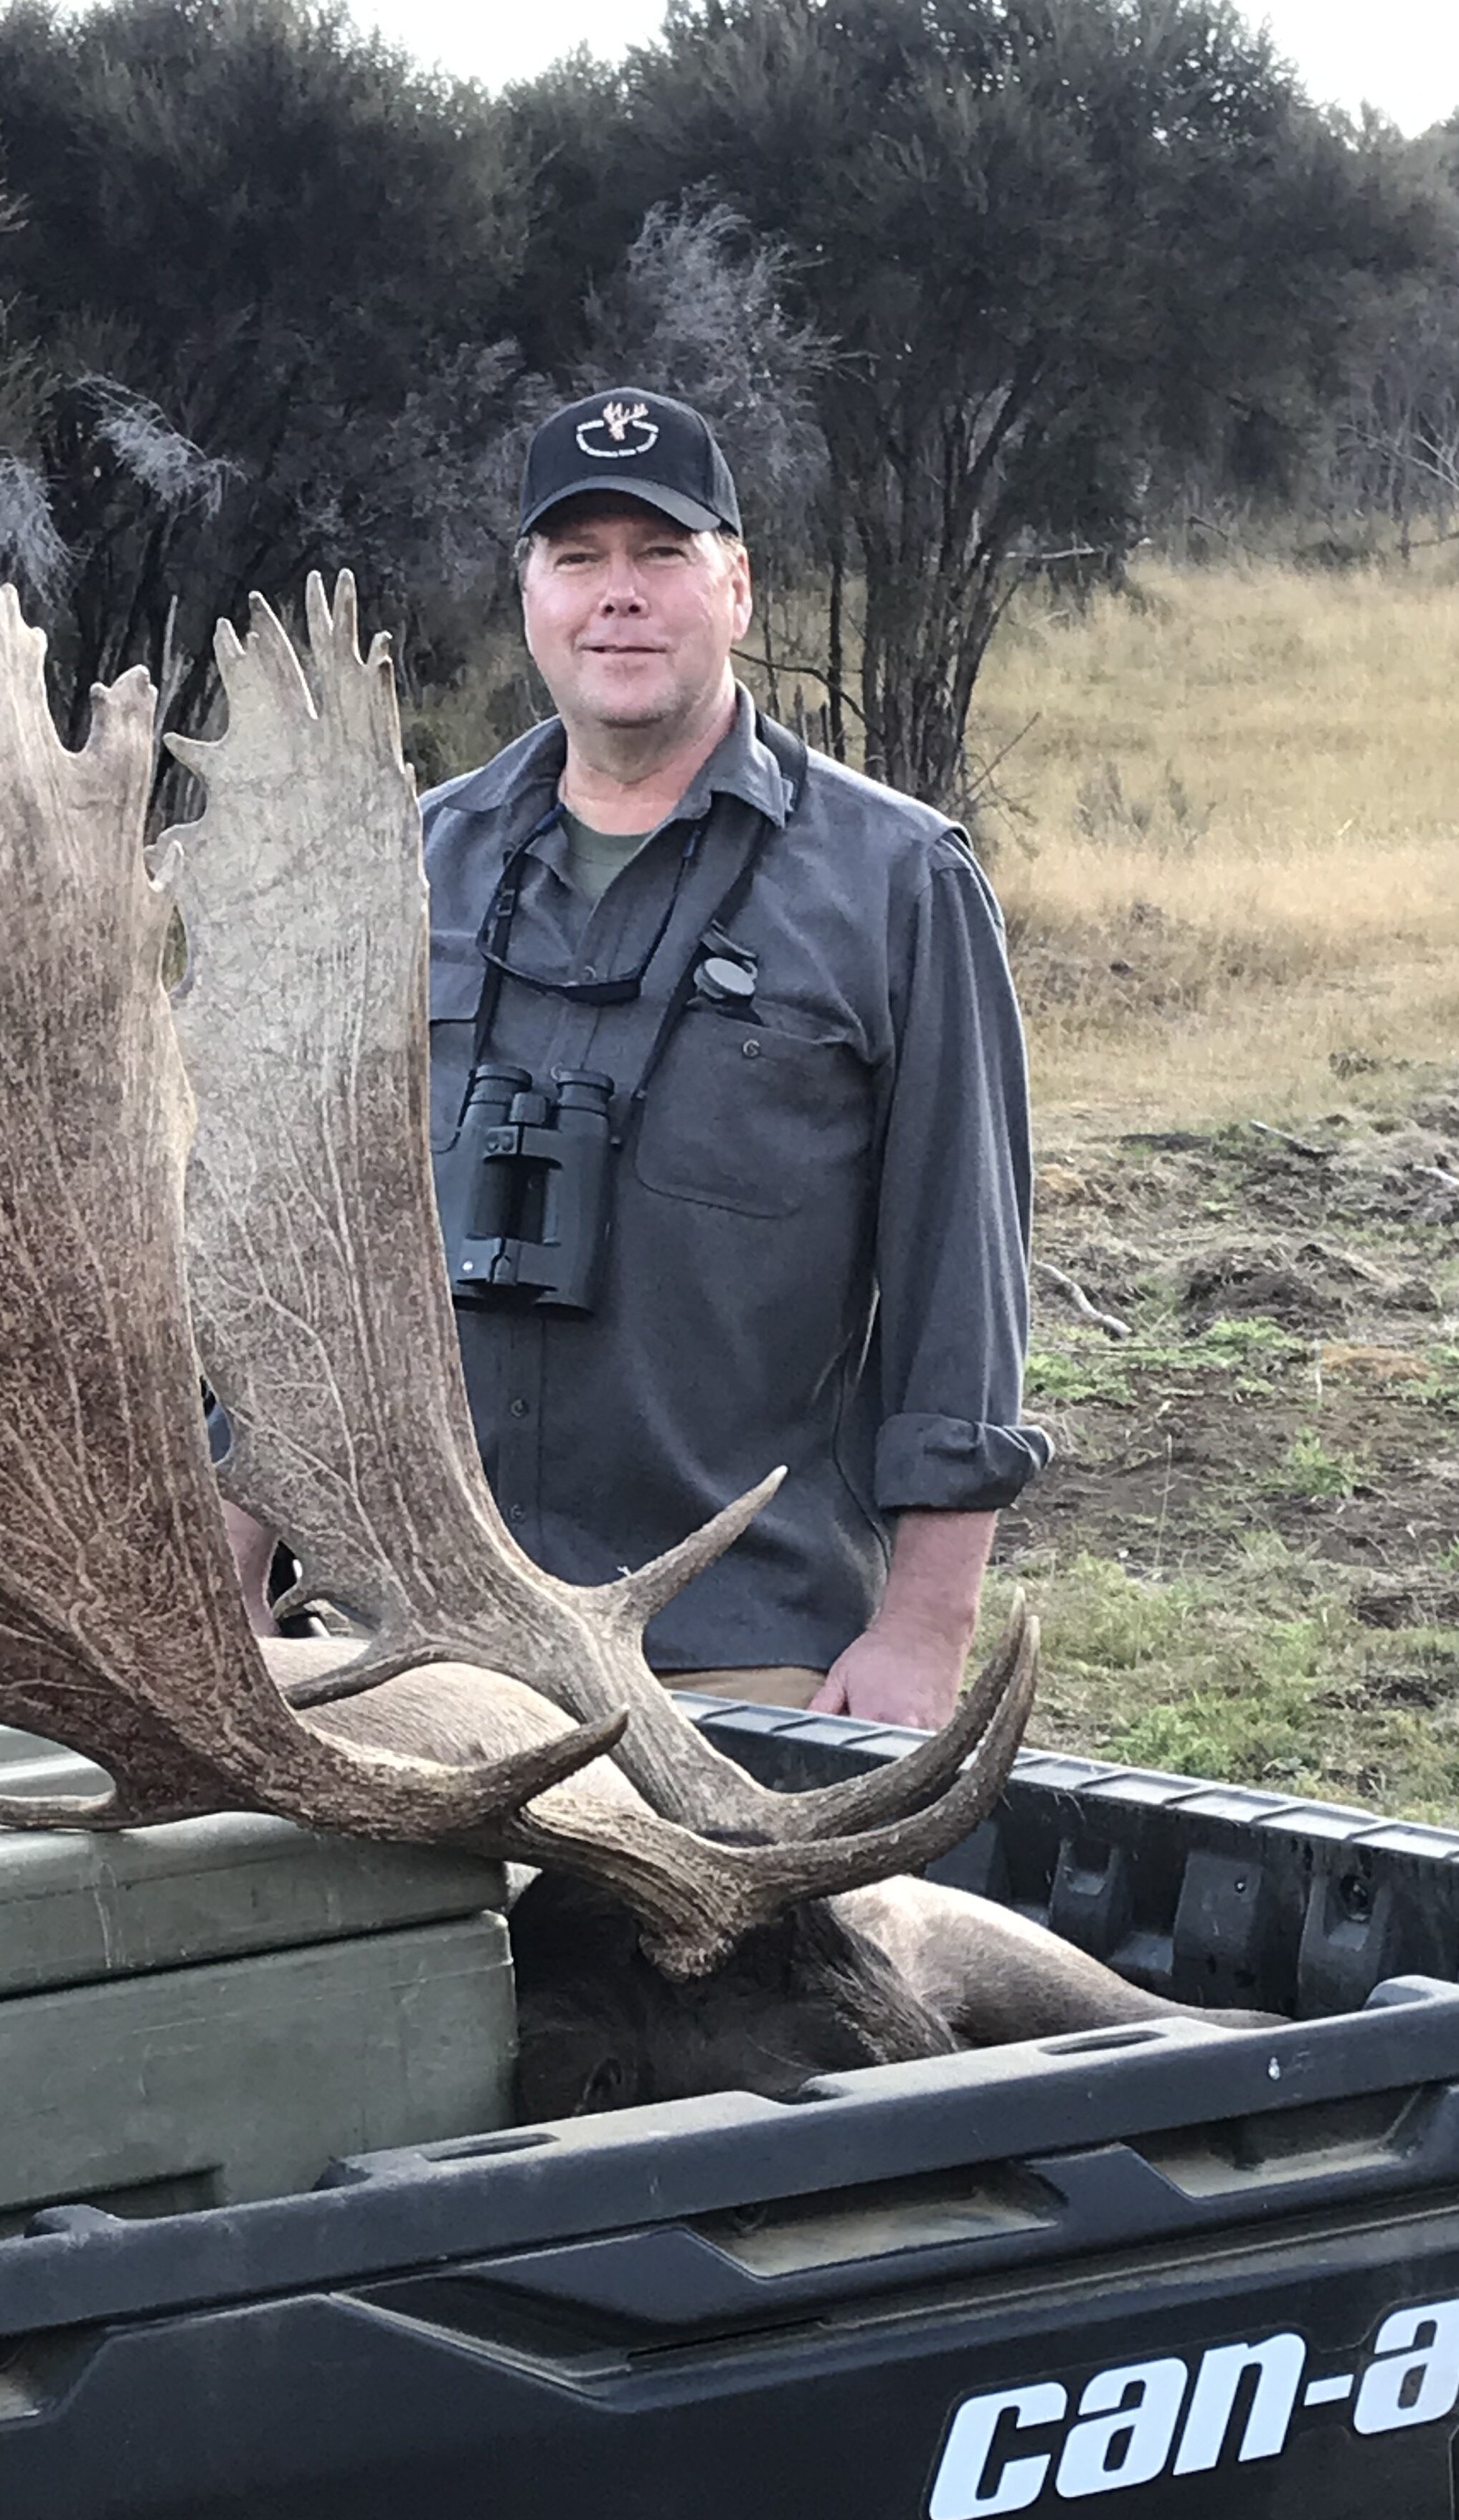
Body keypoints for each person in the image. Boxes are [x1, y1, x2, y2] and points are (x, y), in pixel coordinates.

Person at [416, 386, 1049, 1732]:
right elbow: (286, 1253)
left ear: (738, 585)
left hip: (737, 1652)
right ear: (527, 594)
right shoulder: (406, 863)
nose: (618, 597)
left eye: (661, 555)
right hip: (416, 1634)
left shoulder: (896, 883)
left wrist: (922, 1639)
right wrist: (237, 1589)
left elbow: (962, 1287)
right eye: (577, 559)